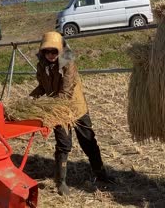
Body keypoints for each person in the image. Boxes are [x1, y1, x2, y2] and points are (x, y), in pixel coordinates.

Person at [30, 31, 110, 196]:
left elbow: (66, 90)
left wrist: (51, 106)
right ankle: (61, 182)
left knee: (88, 140)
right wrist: (32, 97)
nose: (51, 55)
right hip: (58, 109)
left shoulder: (68, 62)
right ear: (42, 51)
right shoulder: (41, 65)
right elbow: (43, 86)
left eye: (54, 51)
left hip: (74, 106)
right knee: (64, 144)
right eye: (47, 51)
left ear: (60, 50)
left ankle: (101, 173)